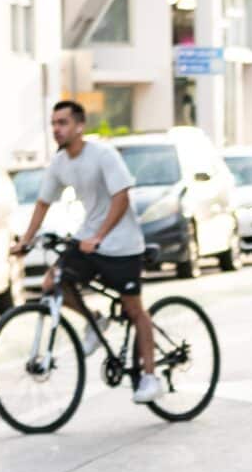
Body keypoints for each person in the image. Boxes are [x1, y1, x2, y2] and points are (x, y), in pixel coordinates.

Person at [14, 99, 163, 403]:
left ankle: (150, 377)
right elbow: (43, 202)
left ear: (79, 126)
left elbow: (121, 197)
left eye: (63, 123)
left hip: (122, 244)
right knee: (52, 283)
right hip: (89, 239)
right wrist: (25, 241)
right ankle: (94, 320)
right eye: (54, 123)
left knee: (135, 310)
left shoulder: (103, 155)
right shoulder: (59, 163)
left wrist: (99, 236)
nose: (57, 129)